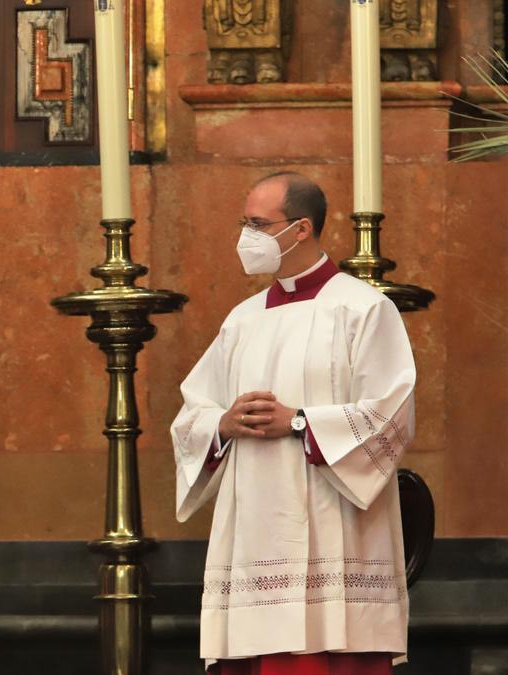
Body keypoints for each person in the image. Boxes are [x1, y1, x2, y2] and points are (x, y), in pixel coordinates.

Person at [171, 172, 415, 674]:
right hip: (255, 524)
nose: (247, 236)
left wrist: (301, 422)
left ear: (301, 229)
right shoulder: (242, 319)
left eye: (259, 224)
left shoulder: (363, 309)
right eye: (245, 223)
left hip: (335, 521)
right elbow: (193, 413)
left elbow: (390, 415)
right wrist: (223, 424)